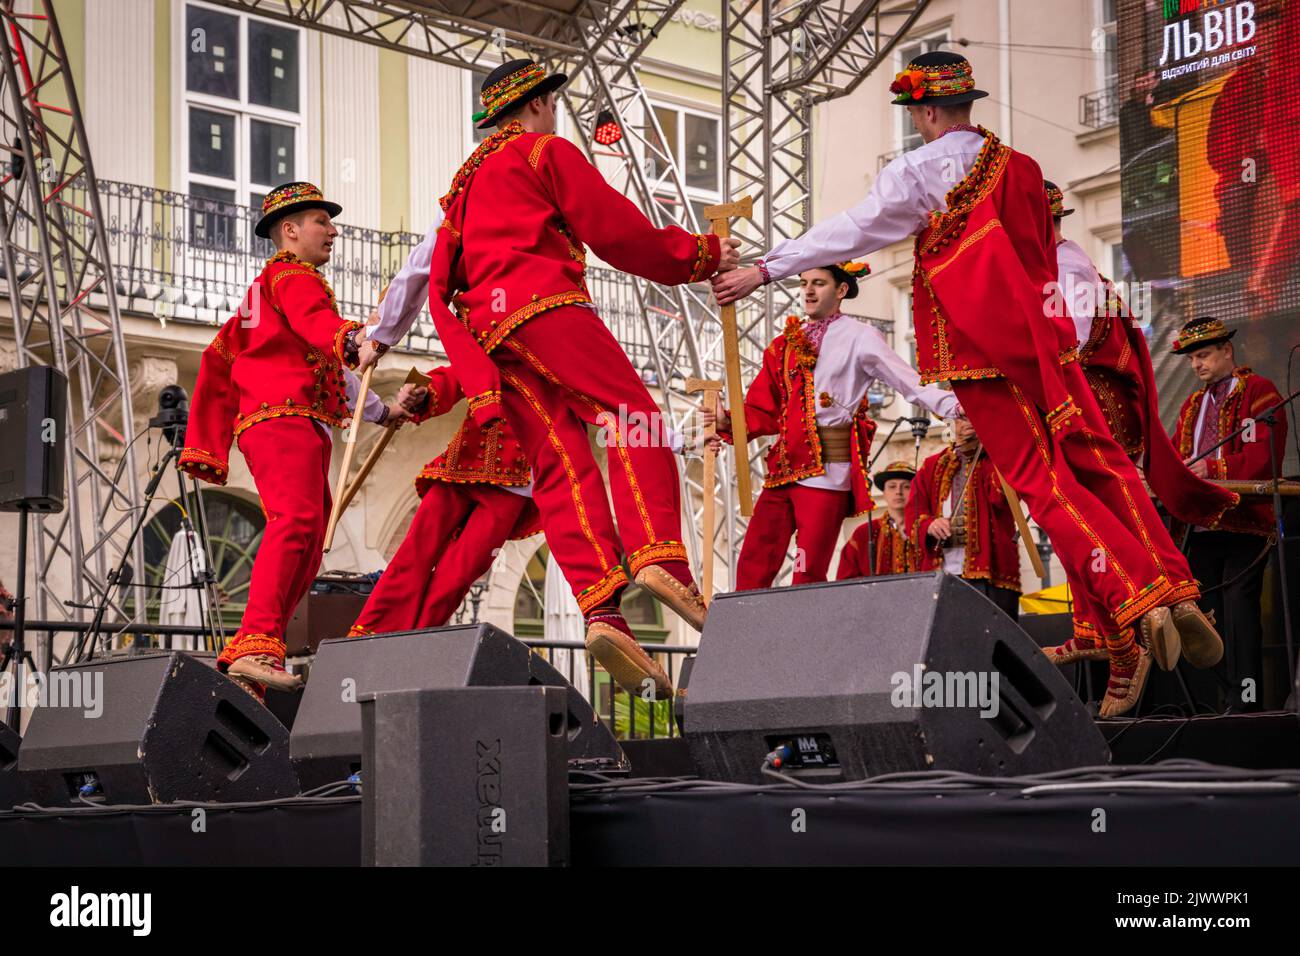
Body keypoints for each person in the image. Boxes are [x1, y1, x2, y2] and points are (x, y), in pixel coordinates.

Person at [712, 51, 1222, 718]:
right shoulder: (1023, 169)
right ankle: (1171, 587)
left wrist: (764, 269)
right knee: (1093, 467)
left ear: (924, 112)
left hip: (980, 357)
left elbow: (855, 227)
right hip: (1045, 356)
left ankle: (1134, 601)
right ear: (966, 104)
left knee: (1045, 487)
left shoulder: (922, 170)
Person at [368, 60, 738, 697]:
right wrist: (699, 255)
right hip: (546, 310)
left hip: (491, 336)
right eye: (552, 102)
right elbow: (619, 233)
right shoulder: (546, 152)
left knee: (561, 467)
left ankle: (602, 611)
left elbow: (425, 272)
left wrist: (376, 337)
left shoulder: (462, 188)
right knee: (633, 418)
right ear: (537, 104)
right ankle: (658, 556)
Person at [179, 182, 411, 701]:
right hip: (281, 418)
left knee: (308, 545)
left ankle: (258, 654)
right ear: (290, 231)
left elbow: (333, 367)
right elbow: (320, 327)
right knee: (298, 524)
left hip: (297, 421)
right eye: (320, 222)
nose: (332, 231)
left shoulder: (274, 289)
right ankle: (253, 645)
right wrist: (353, 339)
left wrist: (383, 409)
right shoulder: (291, 276)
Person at [1045, 182, 1238, 667]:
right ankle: (1144, 610)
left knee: (1093, 512)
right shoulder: (1058, 265)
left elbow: (1075, 338)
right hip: (1090, 403)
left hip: (1086, 404)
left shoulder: (1064, 265)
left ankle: (1145, 609)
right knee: (1084, 515)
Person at [708, 261, 957, 588]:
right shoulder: (784, 344)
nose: (808, 290)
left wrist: (956, 407)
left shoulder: (860, 337)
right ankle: (741, 628)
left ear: (841, 290)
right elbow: (762, 408)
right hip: (784, 468)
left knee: (807, 566)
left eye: (819, 283)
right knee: (755, 555)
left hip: (827, 471)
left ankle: (803, 634)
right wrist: (728, 420)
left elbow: (908, 382)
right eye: (804, 282)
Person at [346, 364, 543, 635]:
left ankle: (412, 644)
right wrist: (425, 392)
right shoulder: (499, 336)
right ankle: (370, 634)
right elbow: (466, 368)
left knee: (458, 575)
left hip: (515, 483)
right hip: (463, 461)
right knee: (414, 553)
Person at [1171, 317, 1288, 709]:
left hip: (1244, 523)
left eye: (1203, 355)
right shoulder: (1191, 405)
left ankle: (1248, 702)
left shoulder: (1259, 391)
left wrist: (1212, 469)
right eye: (1192, 360)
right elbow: (1175, 455)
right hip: (1203, 527)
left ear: (1227, 350)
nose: (1197, 365)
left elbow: (1264, 456)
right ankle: (1223, 702)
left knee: (1239, 614)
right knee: (1209, 618)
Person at [908, 413, 1021, 620]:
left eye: (974, 415)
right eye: (962, 417)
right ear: (950, 422)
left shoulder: (994, 459)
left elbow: (1000, 499)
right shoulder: (931, 465)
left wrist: (1001, 450)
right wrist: (930, 524)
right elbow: (913, 514)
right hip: (943, 571)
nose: (970, 421)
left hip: (991, 570)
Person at [835, 460, 921, 579]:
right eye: (892, 487)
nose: (898, 492)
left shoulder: (926, 529)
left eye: (906, 487)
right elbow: (846, 582)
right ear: (884, 493)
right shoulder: (864, 534)